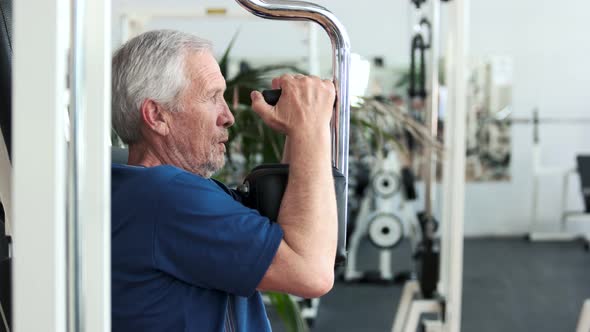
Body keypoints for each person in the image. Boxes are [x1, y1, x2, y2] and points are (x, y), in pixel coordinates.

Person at [111, 29, 338, 331]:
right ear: (156, 115)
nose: (228, 115)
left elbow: (287, 230)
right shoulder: (167, 197)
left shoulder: (148, 191)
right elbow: (311, 273)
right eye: (212, 98)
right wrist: (310, 131)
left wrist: (302, 128)